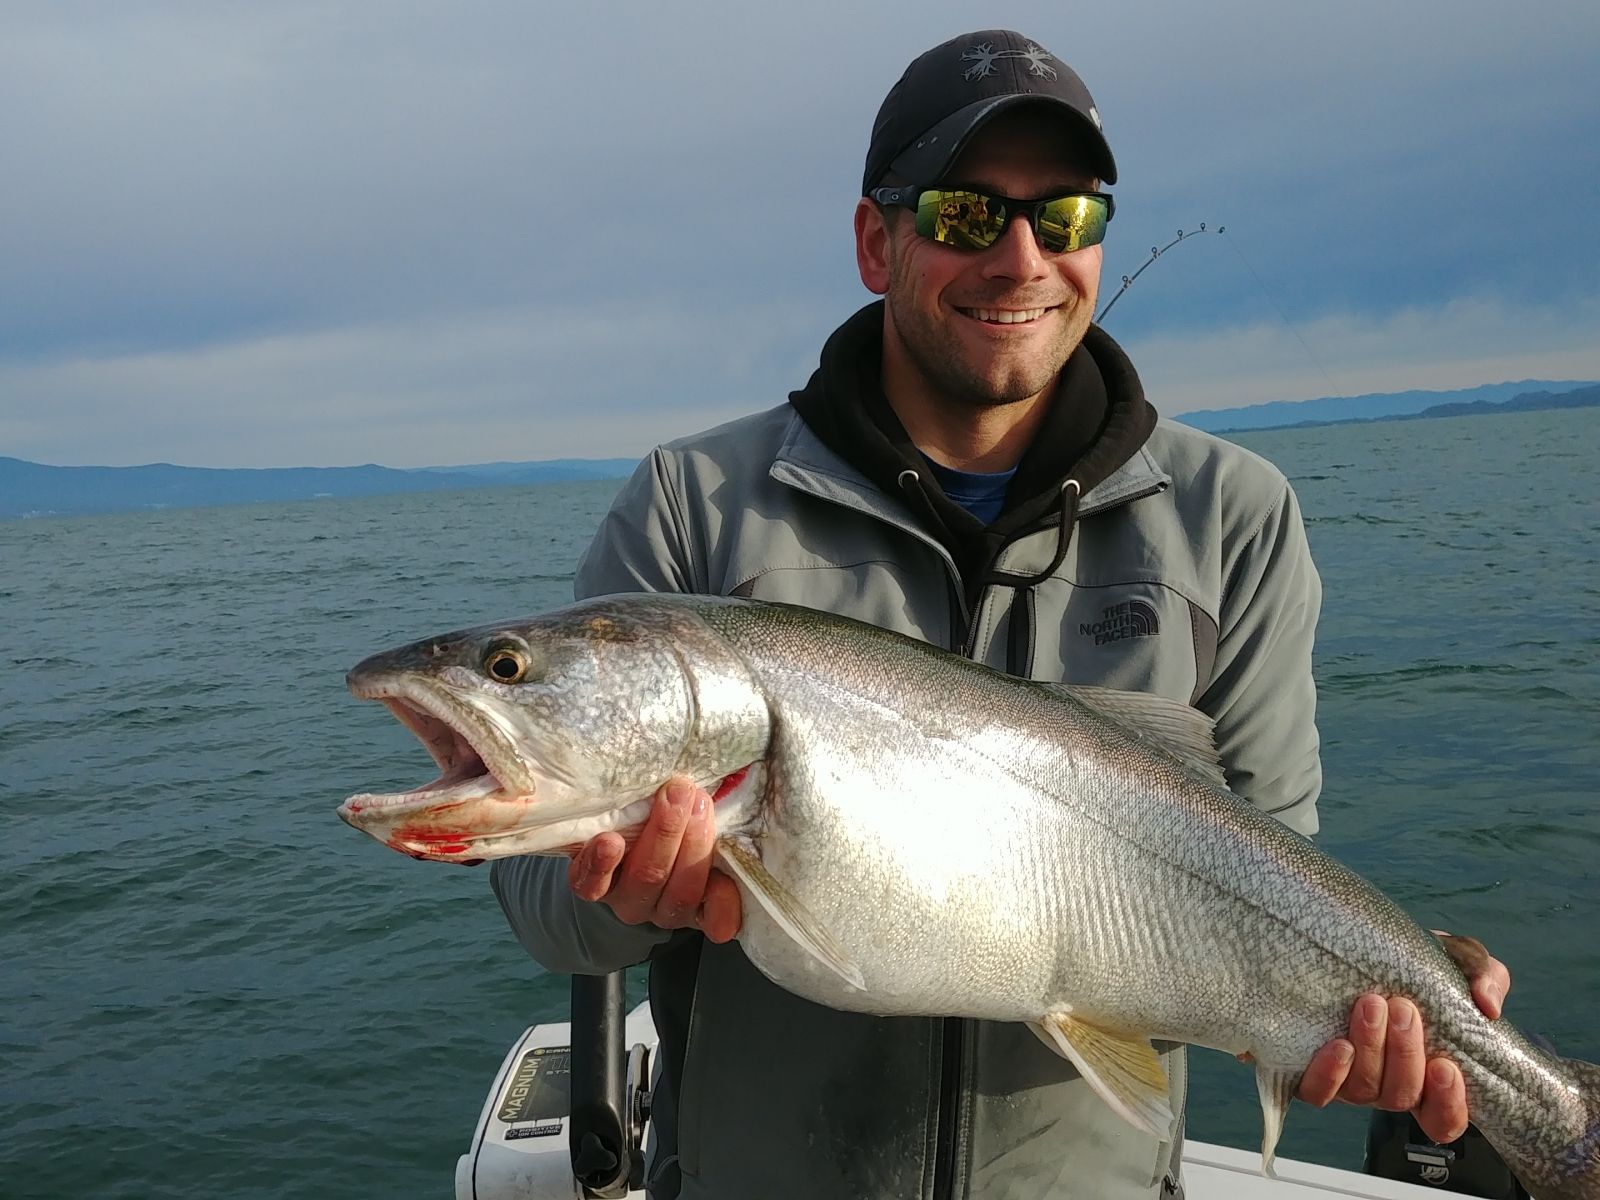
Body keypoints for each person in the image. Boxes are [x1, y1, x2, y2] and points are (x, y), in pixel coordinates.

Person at [491, 28, 1509, 1200]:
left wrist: (1377, 1008)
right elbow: (546, 916)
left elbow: (1268, 862)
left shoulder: (1232, 515)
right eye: (966, 214)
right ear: (876, 242)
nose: (1021, 258)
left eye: (1064, 216)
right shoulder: (696, 504)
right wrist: (617, 900)